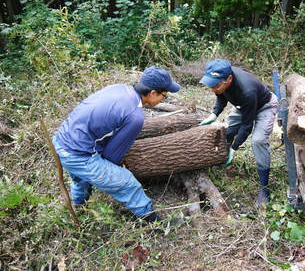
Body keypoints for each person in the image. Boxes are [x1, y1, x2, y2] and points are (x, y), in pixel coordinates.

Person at [52, 66, 180, 222]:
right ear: (153, 93)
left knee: (81, 179)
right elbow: (111, 156)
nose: (163, 100)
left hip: (61, 140)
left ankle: (80, 207)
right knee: (127, 182)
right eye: (164, 96)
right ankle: (154, 221)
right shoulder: (135, 116)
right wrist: (113, 173)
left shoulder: (120, 88)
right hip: (77, 154)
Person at [199, 59, 278, 209]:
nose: (213, 89)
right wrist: (213, 115)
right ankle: (220, 158)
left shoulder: (247, 90)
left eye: (216, 85)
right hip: (243, 105)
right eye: (211, 85)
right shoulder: (223, 77)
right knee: (226, 131)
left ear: (229, 79)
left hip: (264, 105)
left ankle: (264, 188)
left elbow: (246, 126)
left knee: (258, 141)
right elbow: (221, 96)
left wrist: (234, 148)